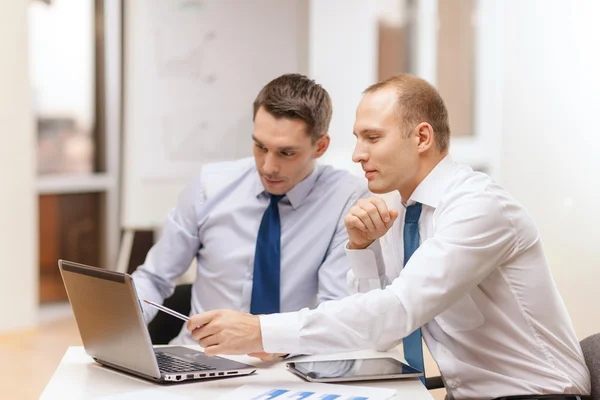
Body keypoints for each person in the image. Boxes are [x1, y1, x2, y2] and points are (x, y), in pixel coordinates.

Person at [185, 74, 591, 399]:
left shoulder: (477, 208)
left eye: (372, 138)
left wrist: (260, 330)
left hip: (538, 394)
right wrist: (361, 250)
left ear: (422, 138)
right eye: (358, 137)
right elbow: (381, 334)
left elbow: (397, 311)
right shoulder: (400, 209)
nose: (358, 153)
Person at [132, 73, 369, 350]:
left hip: (292, 365)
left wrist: (273, 339)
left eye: (286, 153)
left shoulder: (346, 200)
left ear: (320, 146)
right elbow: (154, 278)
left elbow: (335, 311)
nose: (268, 166)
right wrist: (118, 331)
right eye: (260, 146)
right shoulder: (210, 186)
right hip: (198, 360)